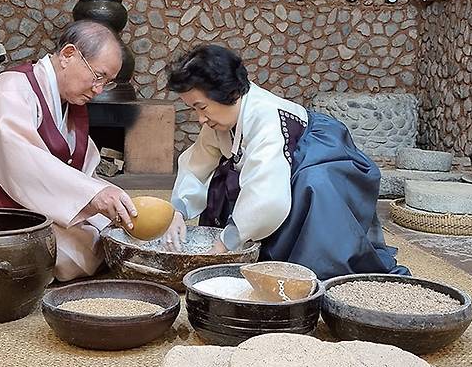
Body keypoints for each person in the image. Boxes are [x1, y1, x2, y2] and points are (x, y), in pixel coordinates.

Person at [162, 44, 409, 280]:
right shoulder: (218, 120)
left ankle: (321, 269)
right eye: (194, 110)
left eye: (201, 107)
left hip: (318, 155)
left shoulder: (265, 115)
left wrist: (226, 242)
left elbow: (267, 197)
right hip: (281, 164)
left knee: (312, 184)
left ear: (231, 93)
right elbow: (196, 164)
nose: (200, 119)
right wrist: (177, 211)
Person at [0, 20, 136, 282]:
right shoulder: (10, 89)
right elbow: (23, 165)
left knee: (105, 238)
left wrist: (114, 207)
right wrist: (93, 196)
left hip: (32, 208)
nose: (99, 89)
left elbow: (83, 172)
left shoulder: (68, 102)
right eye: (98, 76)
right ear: (69, 55)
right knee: (78, 251)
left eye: (107, 82)